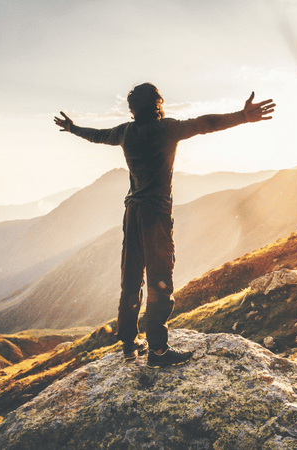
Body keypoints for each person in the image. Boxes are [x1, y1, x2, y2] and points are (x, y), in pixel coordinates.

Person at [54, 83, 275, 368]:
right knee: (160, 278)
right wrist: (242, 117)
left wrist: (73, 129)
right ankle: (158, 351)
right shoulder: (166, 129)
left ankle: (129, 345)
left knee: (131, 277)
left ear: (133, 109)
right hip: (155, 215)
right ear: (157, 103)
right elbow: (204, 124)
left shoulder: (125, 132)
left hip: (131, 212)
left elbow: (98, 136)